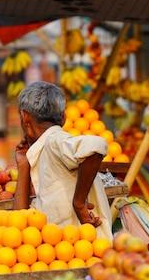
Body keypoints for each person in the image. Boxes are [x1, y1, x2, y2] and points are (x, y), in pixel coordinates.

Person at [13, 81, 112, 240]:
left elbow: (96, 145)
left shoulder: (55, 141)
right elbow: (20, 220)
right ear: (64, 118)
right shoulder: (45, 149)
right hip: (70, 255)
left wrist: (78, 203)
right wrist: (24, 165)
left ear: (25, 116)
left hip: (88, 253)